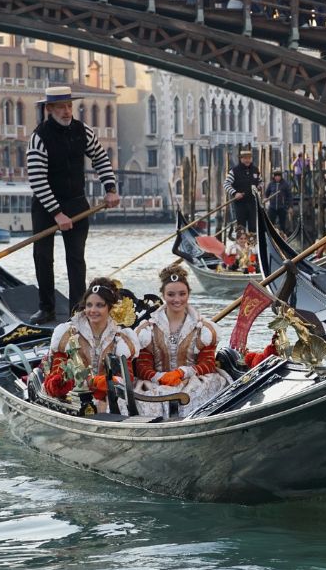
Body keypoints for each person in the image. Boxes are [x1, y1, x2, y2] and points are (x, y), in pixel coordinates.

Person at [26, 85, 121, 325]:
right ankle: (46, 307)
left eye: (69, 106)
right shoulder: (39, 137)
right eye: (61, 107)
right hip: (45, 205)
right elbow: (37, 180)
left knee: (76, 258)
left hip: (77, 202)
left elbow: (100, 157)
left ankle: (77, 310)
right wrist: (57, 213)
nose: (67, 111)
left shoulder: (83, 131)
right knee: (43, 257)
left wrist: (110, 189)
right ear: (50, 109)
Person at [134, 265, 231, 419]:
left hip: (194, 381)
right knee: (156, 395)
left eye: (182, 294)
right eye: (171, 294)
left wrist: (183, 372)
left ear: (188, 294)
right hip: (157, 383)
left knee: (192, 393)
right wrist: (159, 377)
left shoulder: (203, 328)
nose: (177, 299)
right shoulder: (148, 329)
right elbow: (142, 366)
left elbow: (208, 364)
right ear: (163, 295)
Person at [42, 278, 138, 411]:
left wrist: (104, 387)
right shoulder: (68, 333)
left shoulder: (121, 338)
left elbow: (127, 378)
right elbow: (57, 373)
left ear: (110, 307)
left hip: (109, 398)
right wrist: (63, 382)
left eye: (99, 305)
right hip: (73, 398)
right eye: (89, 305)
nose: (92, 310)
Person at [223, 147, 262, 232]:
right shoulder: (234, 171)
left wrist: (259, 186)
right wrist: (235, 193)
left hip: (253, 203)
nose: (247, 160)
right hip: (240, 204)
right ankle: (241, 244)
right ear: (241, 159)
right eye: (245, 158)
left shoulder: (255, 170)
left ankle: (253, 244)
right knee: (241, 227)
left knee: (253, 226)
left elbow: (260, 182)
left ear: (251, 159)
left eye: (249, 158)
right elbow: (226, 184)